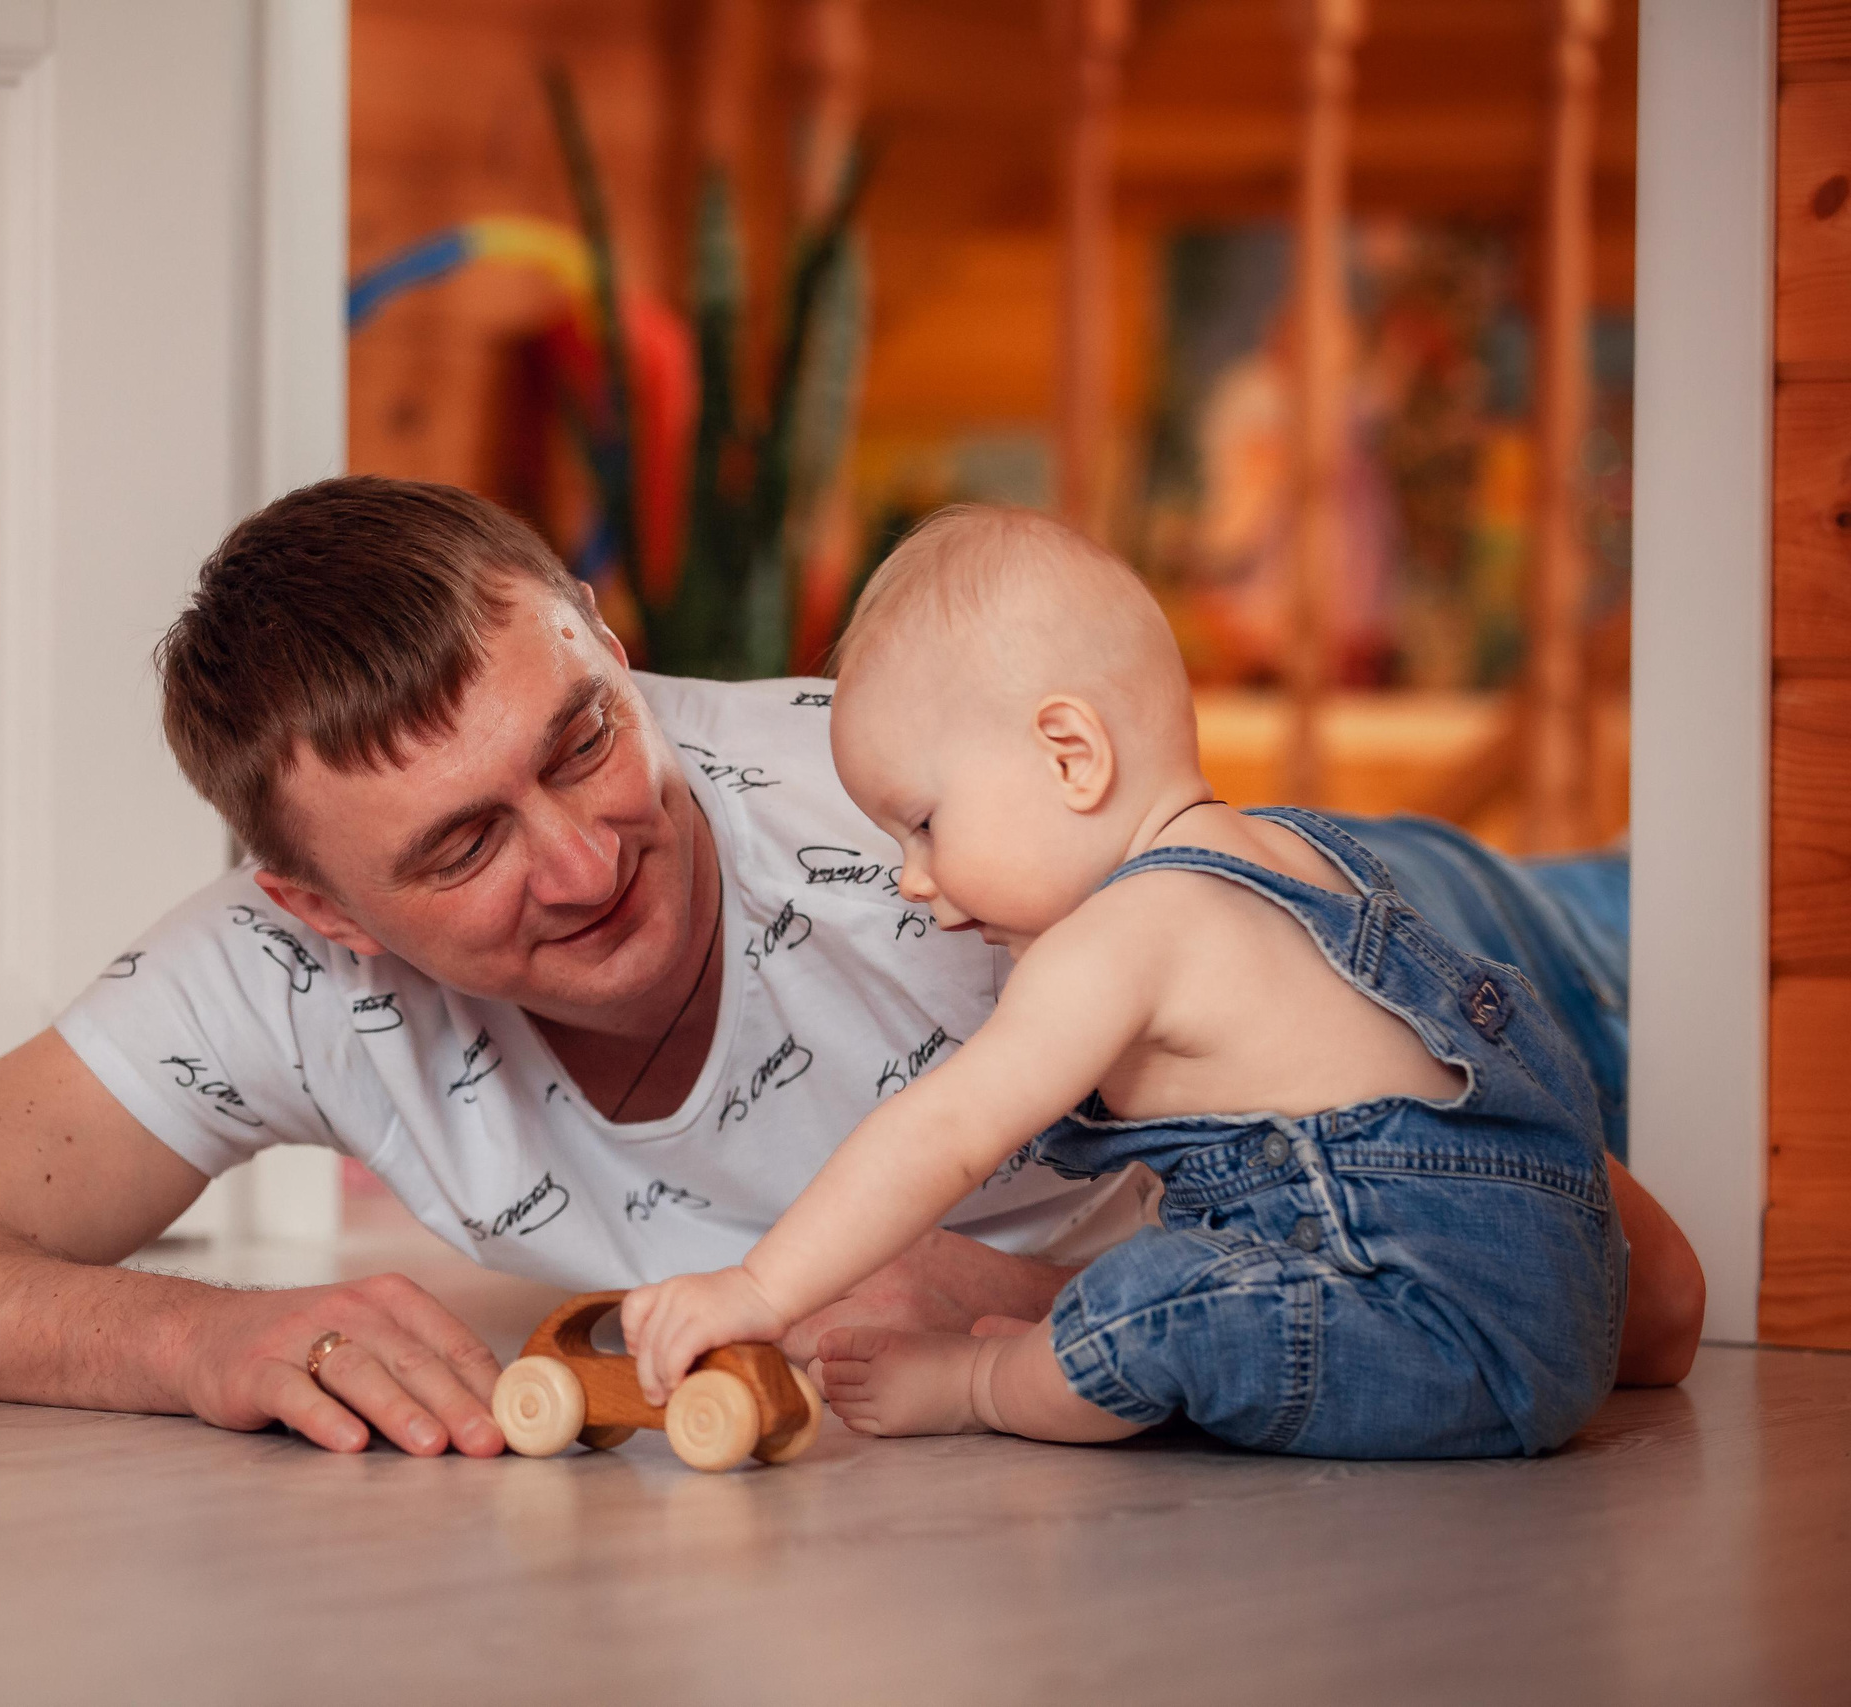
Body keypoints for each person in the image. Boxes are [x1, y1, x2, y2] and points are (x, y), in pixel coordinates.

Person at [0, 477, 1704, 1459]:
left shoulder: (924, 842)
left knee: (1700, 905)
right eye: (461, 846)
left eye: (582, 734)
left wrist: (1039, 1296)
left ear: (606, 632)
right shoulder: (267, 973)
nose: (590, 859)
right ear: (314, 911)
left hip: (1475, 948)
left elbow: (1637, 1295)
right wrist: (198, 1345)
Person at [623, 506, 1623, 1456]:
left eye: (923, 824)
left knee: (1144, 1304)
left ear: (1071, 756)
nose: (910, 878)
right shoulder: (1287, 850)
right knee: (1186, 1243)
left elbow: (945, 1132)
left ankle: (977, 1387)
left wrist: (757, 1287)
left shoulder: (1123, 937)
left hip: (1433, 1328)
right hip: (1565, 1291)